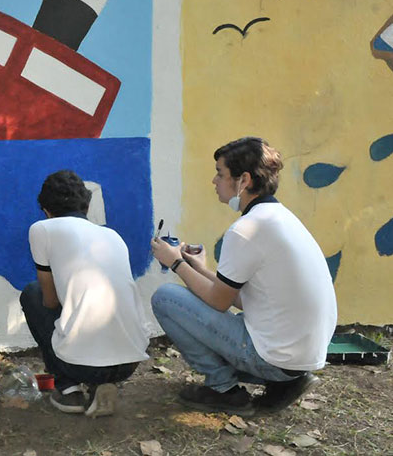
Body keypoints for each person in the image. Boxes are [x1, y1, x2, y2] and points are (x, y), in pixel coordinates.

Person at [150, 137, 337, 415]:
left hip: (274, 358)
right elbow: (242, 298)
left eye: (220, 173)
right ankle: (286, 382)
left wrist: (175, 263)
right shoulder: (278, 217)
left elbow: (218, 302)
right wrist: (199, 267)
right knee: (222, 312)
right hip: (300, 357)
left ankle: (223, 390)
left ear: (244, 180)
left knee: (166, 298)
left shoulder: (246, 229)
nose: (214, 181)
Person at [20, 170, 149, 416]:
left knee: (33, 294)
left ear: (45, 209)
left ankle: (69, 389)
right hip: (130, 364)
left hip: (82, 367)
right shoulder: (113, 236)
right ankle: (102, 384)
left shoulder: (42, 229)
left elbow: (49, 301)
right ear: (87, 206)